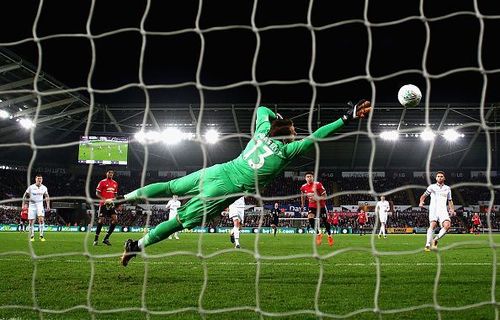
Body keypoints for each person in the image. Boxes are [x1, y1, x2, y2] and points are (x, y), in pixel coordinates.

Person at [118, 100, 371, 266]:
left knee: (172, 186)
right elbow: (317, 136)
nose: (296, 133)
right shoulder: (287, 152)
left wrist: (275, 116)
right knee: (179, 222)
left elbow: (262, 109)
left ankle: (125, 198)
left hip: (217, 171)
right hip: (224, 191)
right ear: (287, 136)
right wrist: (345, 118)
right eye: (293, 131)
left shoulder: (260, 133)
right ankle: (136, 246)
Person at [419, 171, 455, 251]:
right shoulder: (432, 187)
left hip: (443, 210)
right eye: (438, 176)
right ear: (436, 178)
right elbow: (423, 196)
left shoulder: (447, 188)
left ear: (444, 178)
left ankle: (435, 240)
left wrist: (452, 209)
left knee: (447, 225)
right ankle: (427, 244)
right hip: (434, 210)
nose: (440, 177)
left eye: (441, 176)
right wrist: (421, 202)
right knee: (433, 225)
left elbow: (450, 200)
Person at [300, 171, 333, 246]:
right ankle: (319, 233)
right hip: (312, 206)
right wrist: (302, 204)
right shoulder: (303, 187)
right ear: (305, 178)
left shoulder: (318, 184)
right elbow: (302, 195)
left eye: (310, 176)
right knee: (310, 219)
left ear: (313, 177)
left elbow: (325, 196)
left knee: (325, 222)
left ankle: (329, 236)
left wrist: (317, 198)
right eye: (307, 177)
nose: (309, 178)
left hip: (321, 206)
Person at [93, 169, 119, 246]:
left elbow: (115, 195)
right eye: (109, 173)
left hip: (111, 204)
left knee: (115, 220)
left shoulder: (115, 183)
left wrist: (116, 202)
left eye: (112, 173)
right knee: (101, 221)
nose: (111, 174)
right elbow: (97, 193)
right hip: (104, 204)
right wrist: (104, 199)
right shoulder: (102, 182)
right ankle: (96, 239)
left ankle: (106, 238)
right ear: (106, 174)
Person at [22, 174, 50, 241]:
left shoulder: (44, 188)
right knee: (31, 222)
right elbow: (25, 195)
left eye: (41, 179)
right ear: (35, 179)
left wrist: (48, 205)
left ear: (42, 180)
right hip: (32, 205)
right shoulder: (31, 187)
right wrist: (23, 204)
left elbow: (46, 196)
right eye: (38, 179)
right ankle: (32, 236)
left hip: (40, 205)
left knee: (41, 220)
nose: (39, 180)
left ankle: (41, 236)